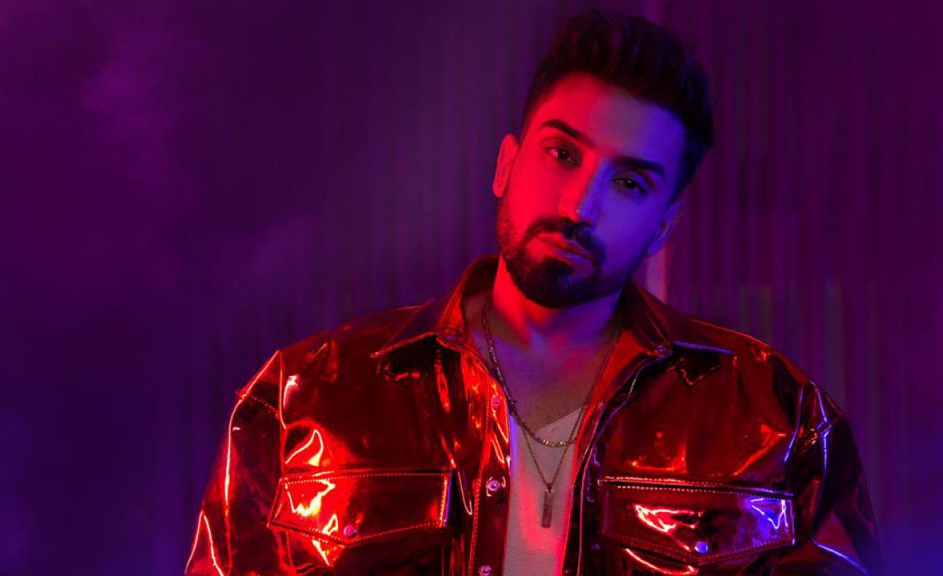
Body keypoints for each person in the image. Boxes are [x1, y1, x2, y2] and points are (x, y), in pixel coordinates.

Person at [186, 11, 881, 575]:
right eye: (562, 153)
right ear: (506, 164)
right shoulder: (303, 398)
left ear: (665, 224)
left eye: (629, 183)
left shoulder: (780, 421)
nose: (579, 205)